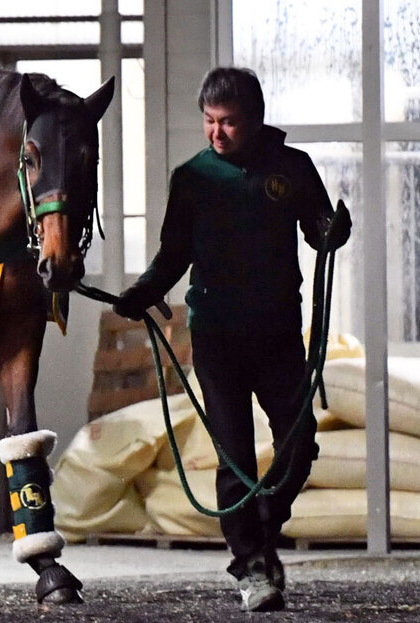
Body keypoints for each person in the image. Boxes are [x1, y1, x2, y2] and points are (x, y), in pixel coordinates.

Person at [113, 67, 351, 612]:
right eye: (210, 122)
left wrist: (334, 230)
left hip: (277, 334)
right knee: (234, 456)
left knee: (299, 444)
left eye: (229, 123)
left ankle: (261, 536)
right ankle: (251, 566)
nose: (217, 133)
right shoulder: (192, 177)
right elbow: (174, 254)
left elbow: (318, 231)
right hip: (216, 337)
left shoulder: (292, 168)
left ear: (256, 119)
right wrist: (141, 292)